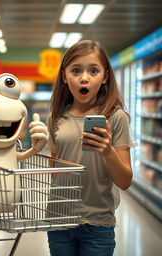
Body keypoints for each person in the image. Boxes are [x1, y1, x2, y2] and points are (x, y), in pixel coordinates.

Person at [46, 40, 136, 256]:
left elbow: (124, 181)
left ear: (104, 76)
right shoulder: (55, 118)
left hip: (98, 224)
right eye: (76, 70)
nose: (84, 77)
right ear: (64, 77)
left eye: (93, 70)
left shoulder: (115, 118)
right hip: (58, 221)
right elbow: (54, 171)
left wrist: (107, 152)